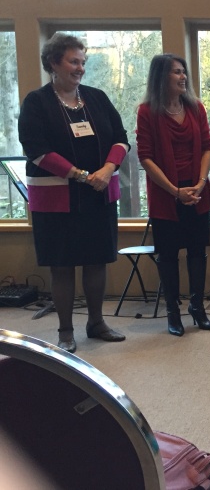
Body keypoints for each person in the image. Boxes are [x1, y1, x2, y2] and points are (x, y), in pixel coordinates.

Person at [18, 32, 129, 353]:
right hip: (56, 200)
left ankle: (96, 322)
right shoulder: (36, 102)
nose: (80, 68)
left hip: (99, 194)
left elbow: (121, 139)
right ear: (54, 63)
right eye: (73, 61)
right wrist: (80, 175)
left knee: (97, 261)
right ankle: (65, 332)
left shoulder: (97, 98)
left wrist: (107, 170)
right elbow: (36, 150)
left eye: (83, 62)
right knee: (62, 265)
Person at [136, 54, 210, 337]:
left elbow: (207, 146)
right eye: (176, 72)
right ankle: (173, 311)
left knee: (198, 252)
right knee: (168, 255)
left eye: (184, 72)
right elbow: (144, 157)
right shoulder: (147, 112)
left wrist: (200, 182)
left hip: (196, 191)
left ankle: (197, 307)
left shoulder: (196, 109)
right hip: (165, 194)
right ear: (161, 77)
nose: (183, 77)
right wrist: (174, 191)